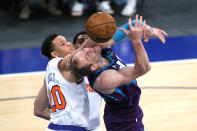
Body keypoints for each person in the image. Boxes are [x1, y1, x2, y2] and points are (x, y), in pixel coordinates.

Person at [70, 15, 168, 131]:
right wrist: (136, 41)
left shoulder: (100, 49)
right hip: (124, 122)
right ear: (93, 66)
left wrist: (147, 28)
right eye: (87, 55)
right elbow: (143, 68)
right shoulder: (103, 80)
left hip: (128, 111)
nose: (88, 49)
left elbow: (130, 25)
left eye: (83, 50)